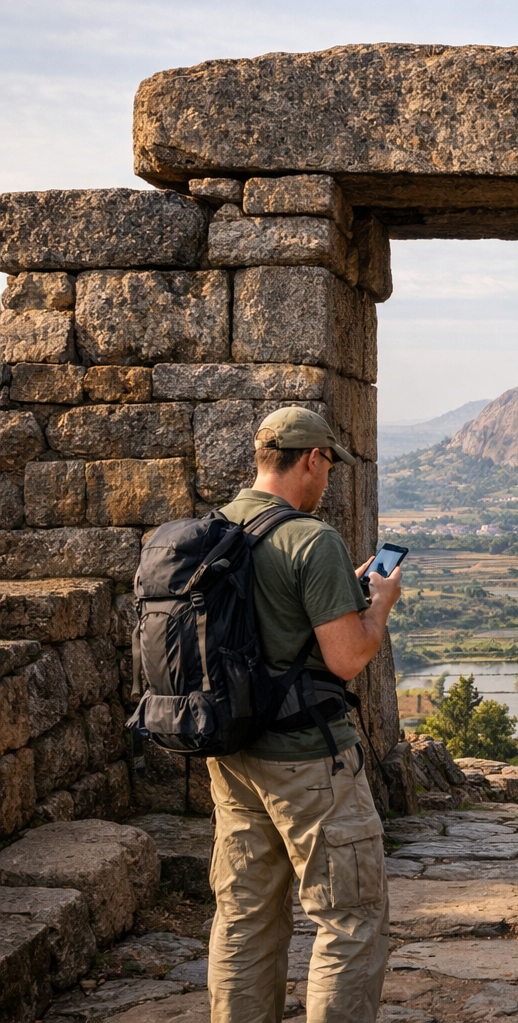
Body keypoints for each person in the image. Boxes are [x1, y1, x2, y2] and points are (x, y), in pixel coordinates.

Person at [207, 406, 401, 1023]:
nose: (328, 482)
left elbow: (269, 621)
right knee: (349, 916)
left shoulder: (216, 527)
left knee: (244, 915)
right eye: (328, 468)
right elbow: (346, 659)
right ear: (312, 460)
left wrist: (334, 592)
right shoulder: (311, 539)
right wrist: (380, 606)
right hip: (308, 760)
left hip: (234, 752)